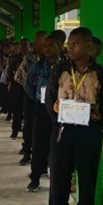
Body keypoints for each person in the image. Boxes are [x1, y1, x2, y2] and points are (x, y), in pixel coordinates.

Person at [43, 27, 103, 205]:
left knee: (87, 184)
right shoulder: (60, 70)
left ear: (88, 47)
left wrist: (96, 126)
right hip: (63, 132)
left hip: (88, 134)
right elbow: (49, 99)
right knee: (59, 183)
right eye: (69, 43)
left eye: (75, 44)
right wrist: (57, 119)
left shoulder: (102, 75)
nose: (69, 47)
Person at [25, 35, 61, 192]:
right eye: (45, 46)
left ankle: (59, 178)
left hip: (61, 111)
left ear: (60, 47)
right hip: (41, 109)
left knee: (59, 145)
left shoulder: (65, 67)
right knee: (39, 143)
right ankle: (35, 177)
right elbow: (28, 85)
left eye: (51, 46)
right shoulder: (38, 66)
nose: (46, 49)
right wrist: (39, 99)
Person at [15, 30, 46, 165]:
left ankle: (43, 159)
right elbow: (26, 79)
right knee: (28, 126)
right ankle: (27, 152)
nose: (39, 43)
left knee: (43, 130)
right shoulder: (29, 57)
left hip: (47, 100)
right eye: (37, 40)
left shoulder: (52, 58)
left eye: (42, 40)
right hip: (31, 97)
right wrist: (34, 96)